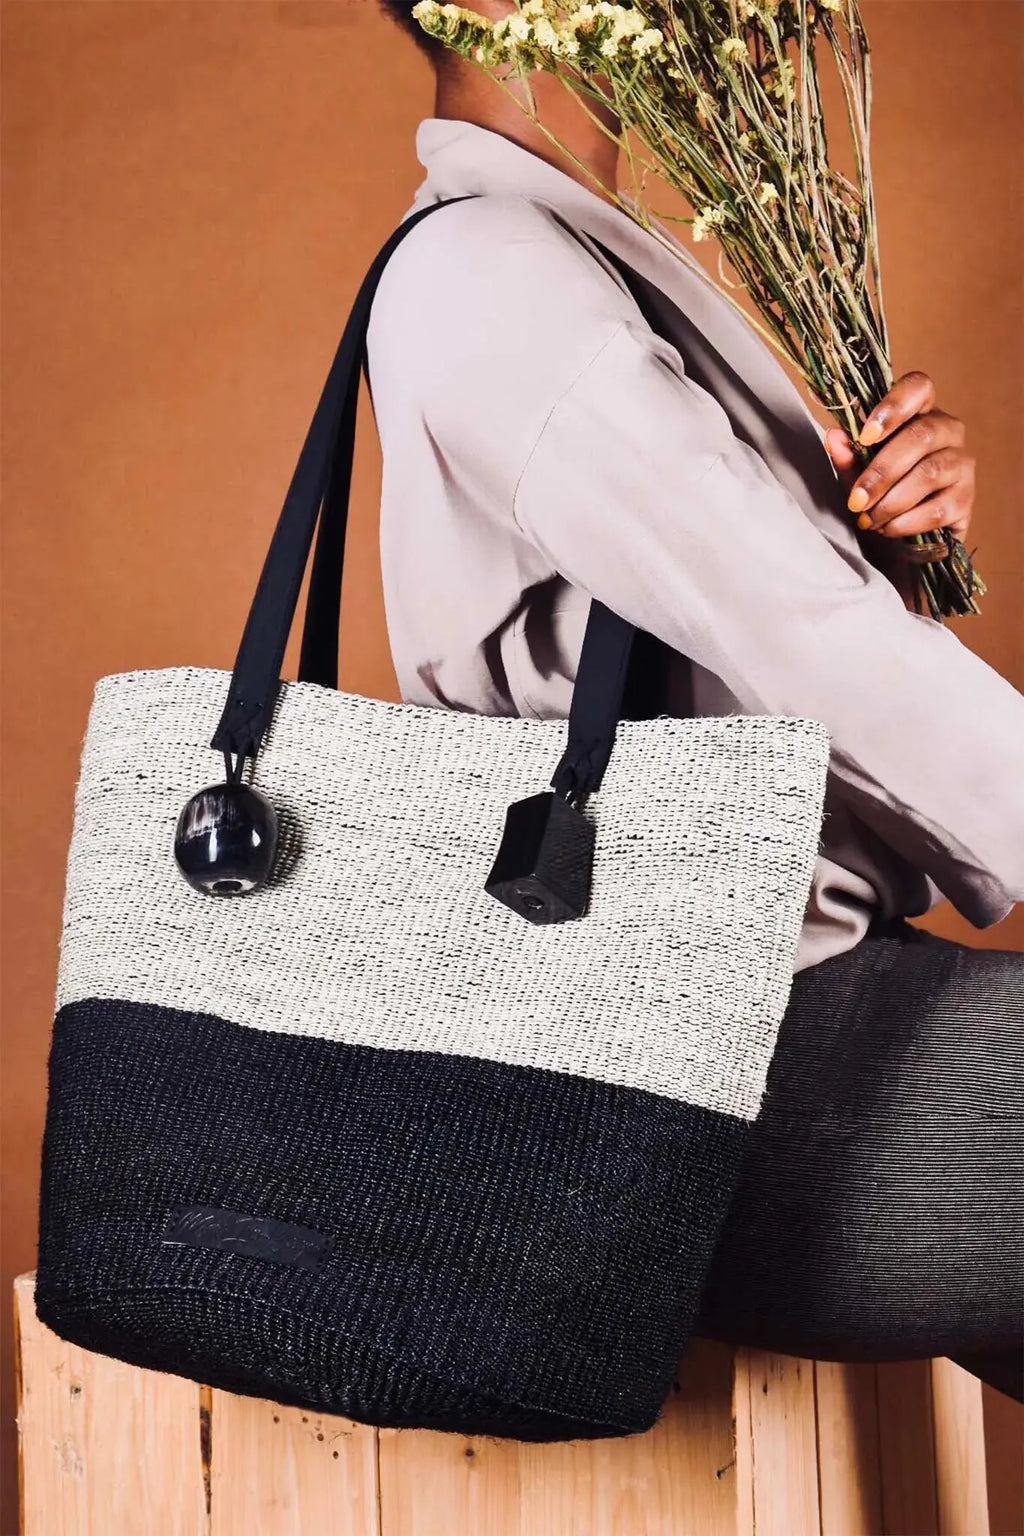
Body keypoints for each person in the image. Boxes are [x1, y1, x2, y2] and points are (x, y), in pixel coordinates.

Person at [375, 0, 1024, 1399]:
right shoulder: (490, 272)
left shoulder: (584, 259)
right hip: (721, 1058)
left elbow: (763, 630)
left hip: (783, 1001)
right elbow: (799, 637)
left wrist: (890, 546)